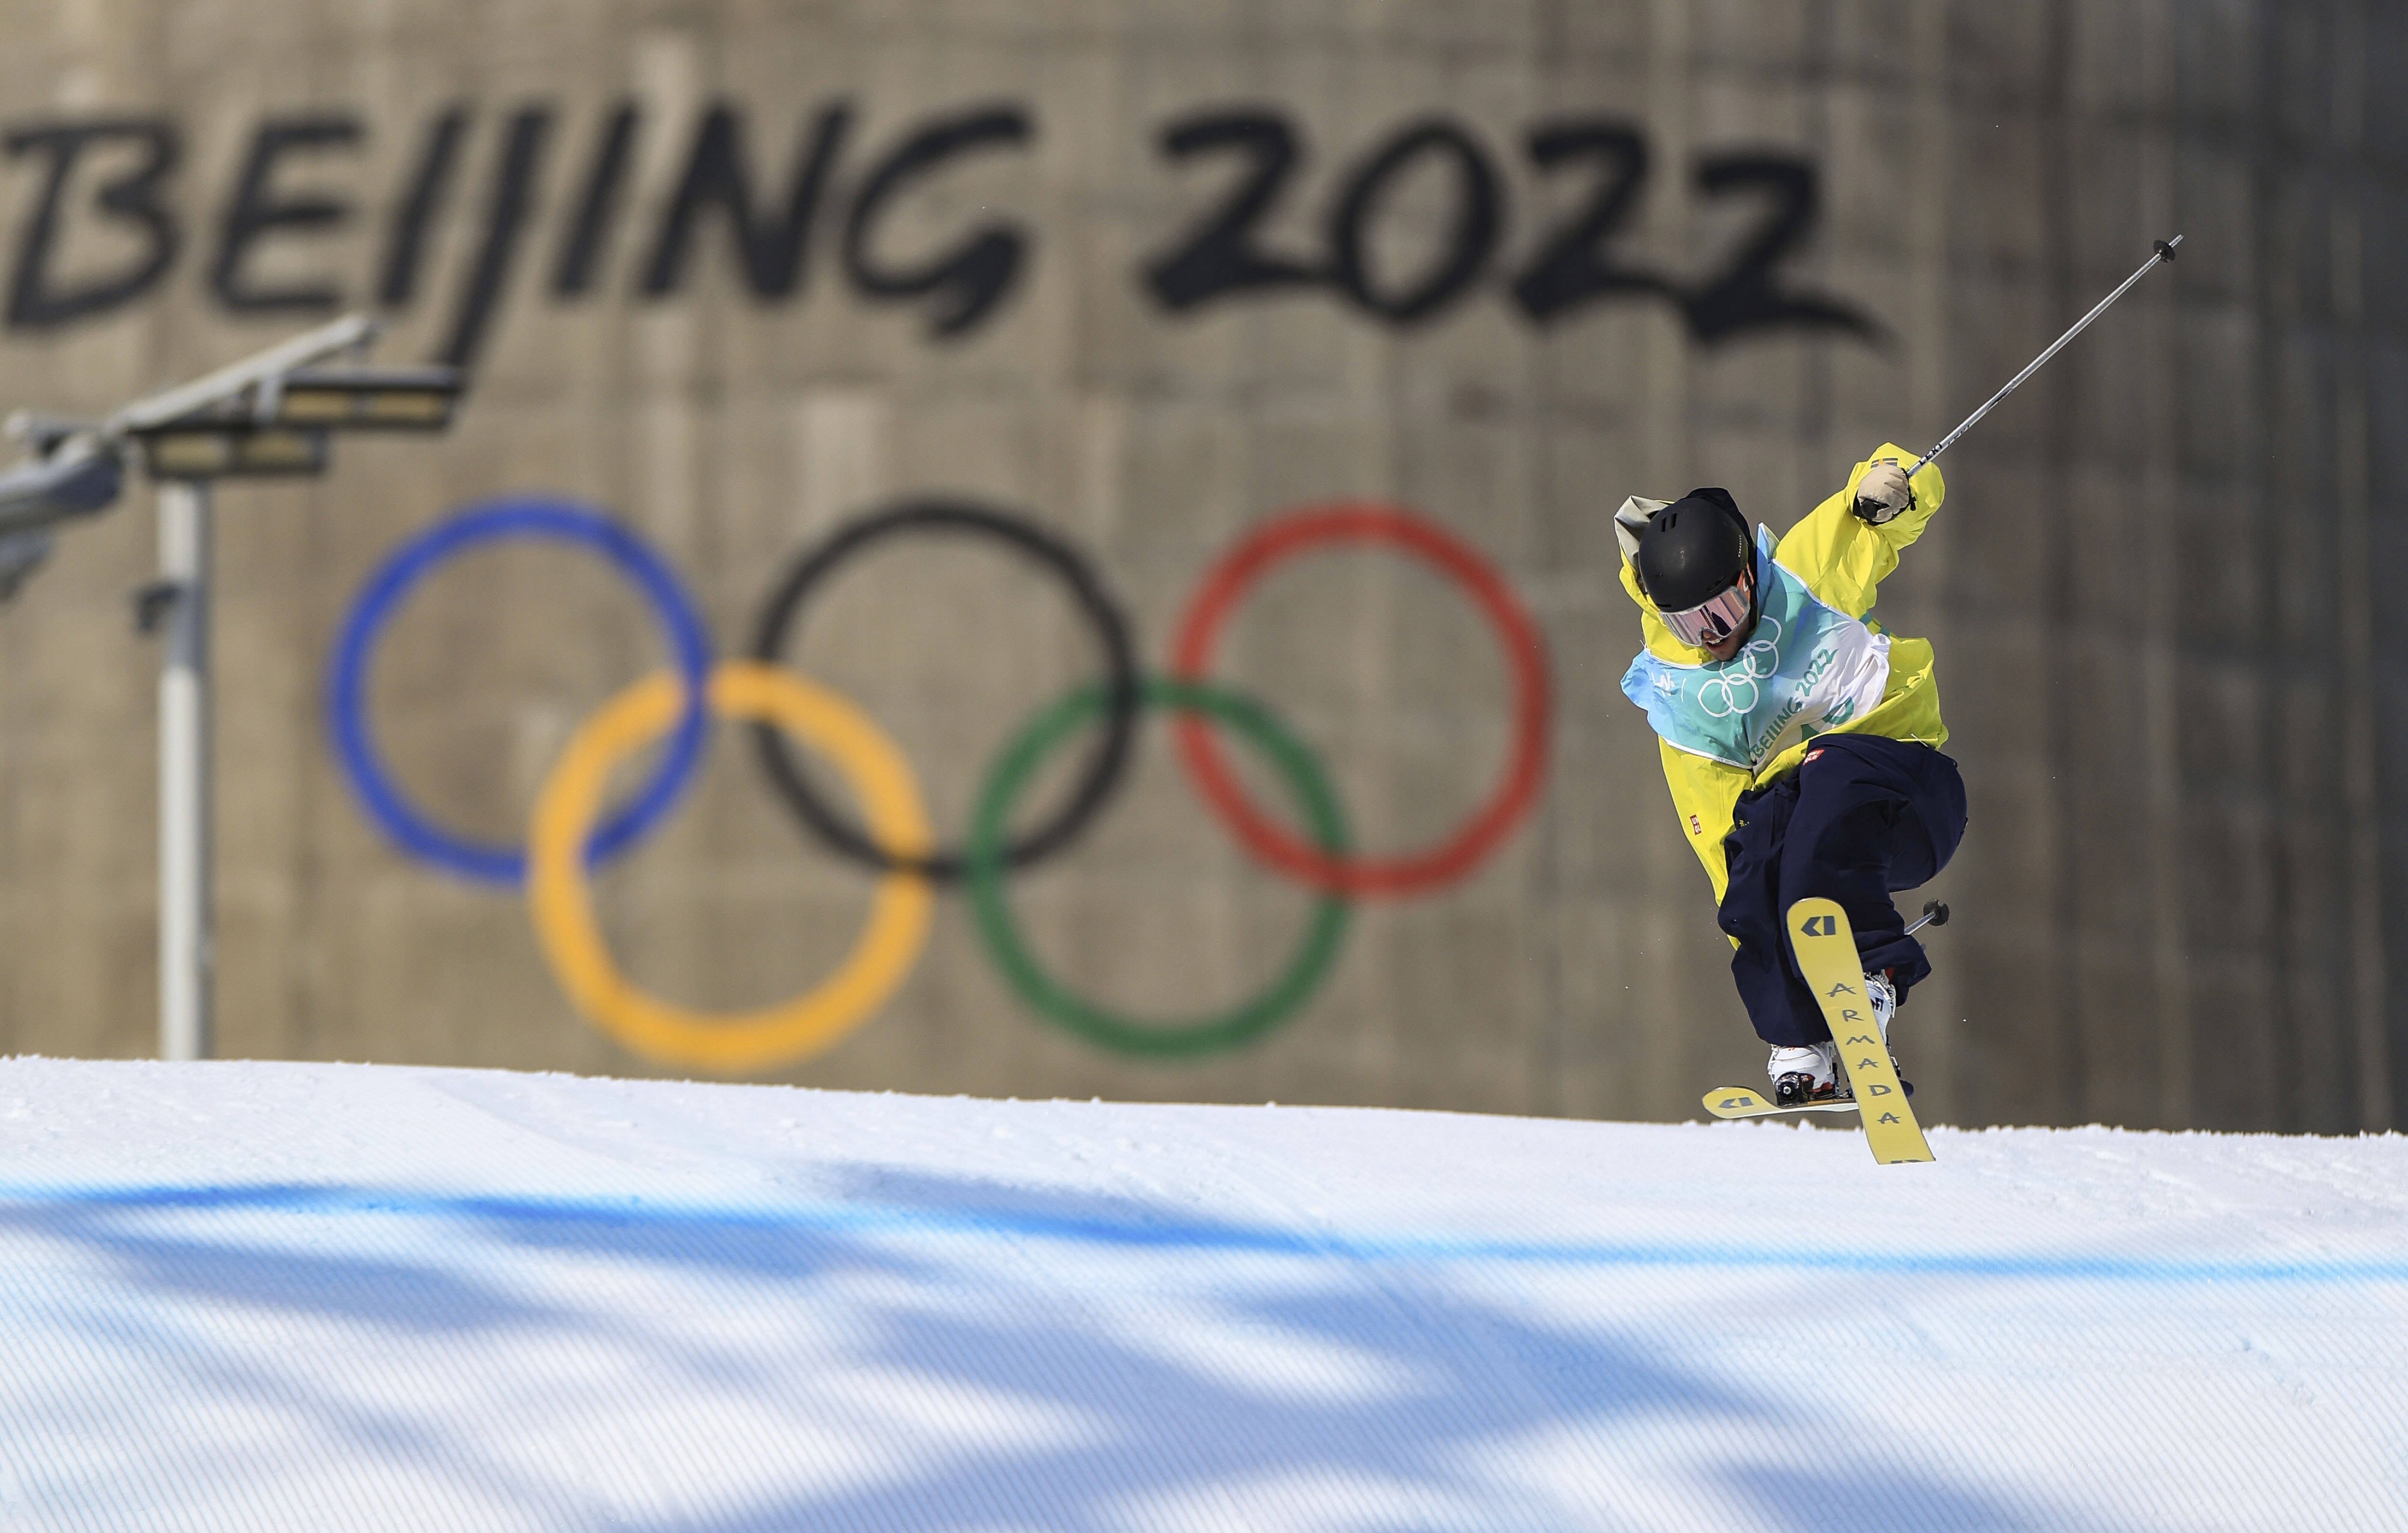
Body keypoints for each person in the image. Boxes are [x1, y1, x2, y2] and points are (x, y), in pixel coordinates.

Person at [1615, 447, 1968, 1106]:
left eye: (1723, 610)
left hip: (1911, 789)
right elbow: (1723, 847)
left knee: (1824, 770)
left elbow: (1882, 509)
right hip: (1826, 828)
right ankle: (1802, 1044)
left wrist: (1890, 487)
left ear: (1751, 574)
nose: (1714, 636)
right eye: (1689, 625)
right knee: (1757, 849)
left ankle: (1872, 968)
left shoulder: (1804, 575)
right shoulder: (1688, 700)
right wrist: (1763, 931)